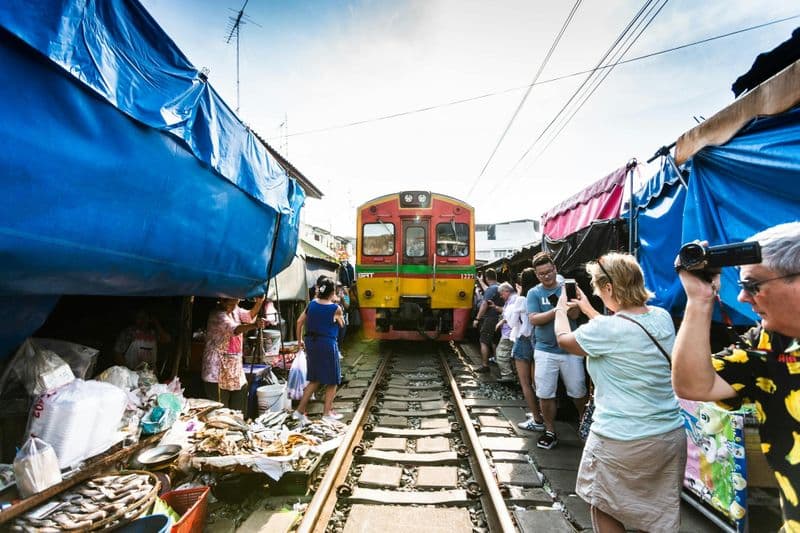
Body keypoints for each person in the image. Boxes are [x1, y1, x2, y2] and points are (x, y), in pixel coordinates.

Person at [672, 222, 800, 530]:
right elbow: (692, 384)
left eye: (753, 285)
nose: (742, 297)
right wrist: (700, 299)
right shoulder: (769, 345)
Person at [554, 252, 686, 532]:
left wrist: (560, 310)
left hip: (620, 439)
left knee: (604, 505)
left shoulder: (606, 330)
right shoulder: (661, 317)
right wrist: (590, 310)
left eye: (596, 285)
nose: (594, 290)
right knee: (658, 513)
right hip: (668, 435)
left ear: (610, 288)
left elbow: (565, 340)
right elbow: (620, 328)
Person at [527, 252, 587, 449]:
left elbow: (577, 314)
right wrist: (558, 309)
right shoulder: (534, 293)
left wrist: (566, 303)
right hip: (545, 349)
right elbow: (534, 319)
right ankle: (550, 430)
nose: (547, 276)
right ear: (537, 275)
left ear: (555, 269)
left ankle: (583, 422)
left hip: (570, 349)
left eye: (549, 271)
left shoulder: (567, 288)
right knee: (545, 393)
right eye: (542, 273)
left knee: (578, 391)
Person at [293, 277, 346, 424]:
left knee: (314, 379)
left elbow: (299, 322)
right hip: (327, 344)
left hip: (311, 343)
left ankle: (298, 411)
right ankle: (327, 413)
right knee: (333, 380)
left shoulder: (312, 304)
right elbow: (341, 325)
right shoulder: (335, 308)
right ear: (332, 292)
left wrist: (299, 341)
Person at [201, 296, 266, 409]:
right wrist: (254, 325)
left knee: (238, 406)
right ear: (221, 301)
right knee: (221, 410)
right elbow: (234, 329)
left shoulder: (235, 310)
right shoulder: (217, 314)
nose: (231, 307)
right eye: (229, 304)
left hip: (234, 368)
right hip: (216, 370)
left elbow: (249, 316)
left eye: (234, 304)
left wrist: (259, 303)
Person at [511, 268, 545, 431]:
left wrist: (518, 295)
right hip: (539, 340)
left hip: (524, 340)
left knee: (526, 383)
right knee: (539, 382)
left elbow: (511, 322)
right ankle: (543, 415)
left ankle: (537, 419)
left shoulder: (521, 299)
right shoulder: (540, 295)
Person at [473, 268, 502, 373]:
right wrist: (480, 281)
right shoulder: (501, 287)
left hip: (490, 318)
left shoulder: (491, 289)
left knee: (484, 341)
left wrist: (477, 318)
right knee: (495, 340)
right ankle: (497, 360)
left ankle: (485, 365)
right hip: (501, 319)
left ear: (486, 278)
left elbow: (484, 304)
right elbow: (488, 289)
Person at [493, 282, 517, 383]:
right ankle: (515, 375)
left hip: (510, 333)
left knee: (501, 353)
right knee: (510, 355)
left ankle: (507, 375)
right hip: (511, 332)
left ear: (507, 291)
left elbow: (512, 315)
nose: (501, 296)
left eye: (502, 293)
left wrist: (502, 321)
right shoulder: (512, 299)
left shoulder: (513, 300)